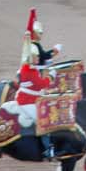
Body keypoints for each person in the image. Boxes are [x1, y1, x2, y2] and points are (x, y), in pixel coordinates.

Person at [6, 8, 51, 138]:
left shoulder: (30, 68)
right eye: (36, 58)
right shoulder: (30, 70)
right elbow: (41, 84)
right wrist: (50, 77)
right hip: (27, 101)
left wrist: (33, 15)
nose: (37, 59)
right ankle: (48, 148)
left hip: (27, 96)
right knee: (43, 121)